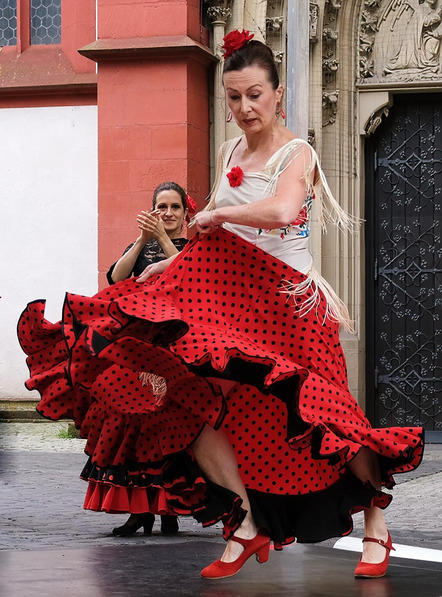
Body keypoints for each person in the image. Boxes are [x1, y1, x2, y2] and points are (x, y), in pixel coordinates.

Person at [18, 30, 423, 581]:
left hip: (290, 307)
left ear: (277, 93)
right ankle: (246, 524)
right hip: (233, 303)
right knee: (190, 401)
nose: (243, 108)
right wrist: (166, 266)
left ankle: (377, 522)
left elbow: (281, 212)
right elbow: (209, 225)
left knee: (331, 422)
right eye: (233, 97)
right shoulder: (233, 150)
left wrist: (218, 216)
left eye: (254, 94)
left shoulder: (297, 153)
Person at [103, 181, 191, 536]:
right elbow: (114, 277)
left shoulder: (189, 246)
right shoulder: (140, 245)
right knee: (135, 429)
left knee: (170, 430)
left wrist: (163, 239)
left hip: (175, 346)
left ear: (186, 213)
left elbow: (183, 272)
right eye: (161, 207)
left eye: (174, 208)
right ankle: (141, 512)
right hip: (138, 348)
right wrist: (142, 238)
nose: (167, 214)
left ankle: (170, 509)